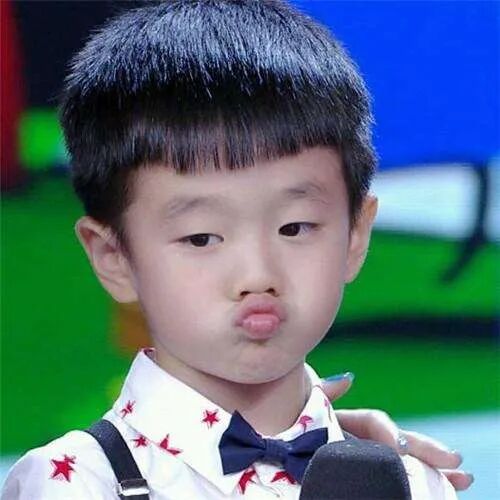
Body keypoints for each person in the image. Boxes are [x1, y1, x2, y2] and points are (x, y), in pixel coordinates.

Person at [2, 1, 473, 498]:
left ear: (356, 234)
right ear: (113, 257)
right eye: (201, 238)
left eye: (294, 227)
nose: (257, 274)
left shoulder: (410, 481)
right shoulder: (75, 482)